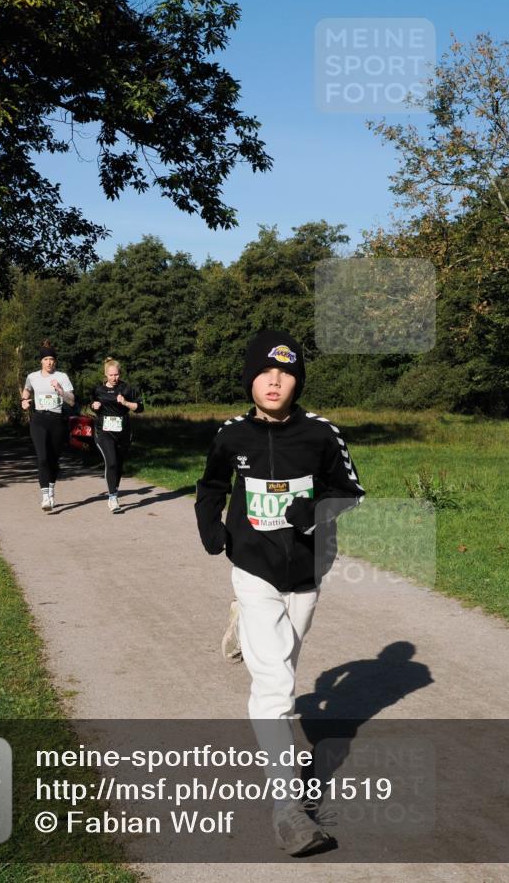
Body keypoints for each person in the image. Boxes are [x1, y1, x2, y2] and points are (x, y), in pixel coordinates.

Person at [195, 329, 365, 856]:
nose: (275, 380)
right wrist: (210, 524)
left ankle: (245, 624)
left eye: (287, 372)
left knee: (287, 652)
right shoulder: (230, 435)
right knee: (276, 682)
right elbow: (212, 486)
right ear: (250, 378)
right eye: (265, 372)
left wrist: (312, 512)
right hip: (252, 565)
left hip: (308, 570)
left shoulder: (321, 434)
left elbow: (349, 491)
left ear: (297, 381)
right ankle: (288, 807)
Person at [20, 341, 75, 511]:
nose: (49, 362)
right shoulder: (32, 376)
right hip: (39, 420)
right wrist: (24, 401)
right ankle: (45, 497)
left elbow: (71, 401)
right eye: (46, 359)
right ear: (41, 361)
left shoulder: (62, 377)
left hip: (57, 421)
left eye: (52, 359)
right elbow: (27, 390)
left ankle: (51, 489)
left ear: (55, 361)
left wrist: (60, 390)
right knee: (42, 457)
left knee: (53, 459)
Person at [91, 357, 143, 513]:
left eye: (117, 375)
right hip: (104, 432)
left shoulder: (127, 389)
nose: (114, 378)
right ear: (105, 374)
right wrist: (94, 406)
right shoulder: (98, 390)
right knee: (111, 462)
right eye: (111, 375)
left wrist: (126, 403)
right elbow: (92, 404)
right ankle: (113, 498)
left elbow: (140, 408)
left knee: (118, 465)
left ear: (120, 374)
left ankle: (114, 489)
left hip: (123, 433)